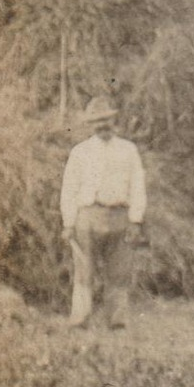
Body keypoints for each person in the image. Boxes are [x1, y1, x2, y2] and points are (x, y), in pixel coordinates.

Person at [59, 96, 147, 328]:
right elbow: (69, 188)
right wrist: (68, 223)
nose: (103, 126)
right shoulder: (80, 152)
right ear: (90, 124)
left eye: (106, 120)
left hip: (119, 216)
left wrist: (136, 220)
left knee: (119, 272)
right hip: (87, 217)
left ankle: (117, 322)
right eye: (97, 122)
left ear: (114, 121)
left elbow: (137, 186)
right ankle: (80, 319)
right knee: (83, 271)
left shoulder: (128, 150)